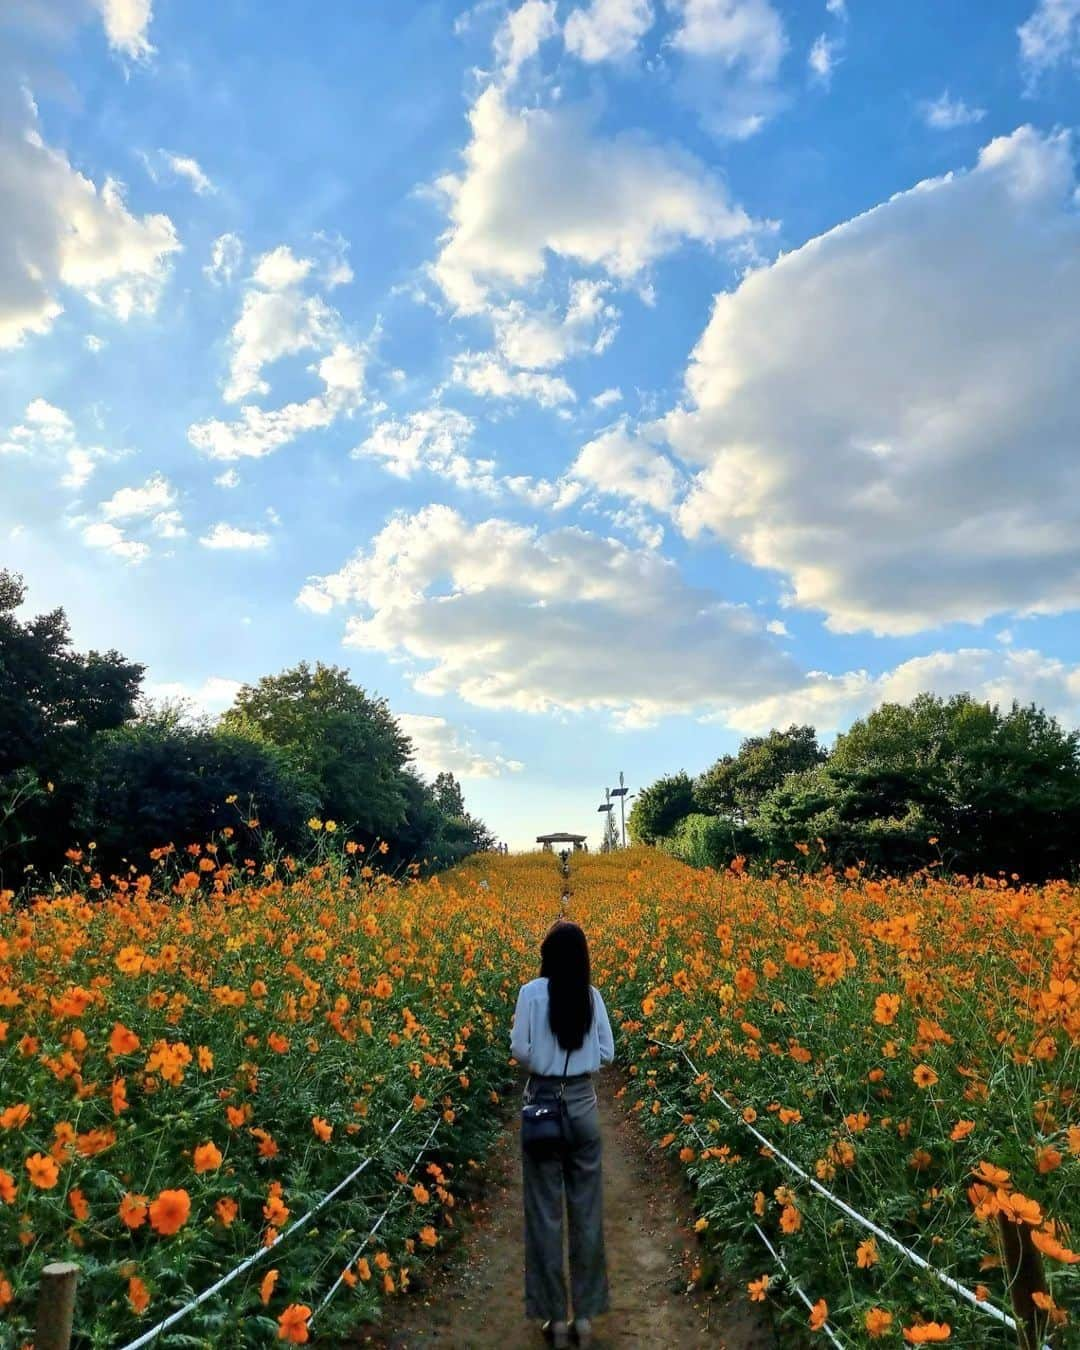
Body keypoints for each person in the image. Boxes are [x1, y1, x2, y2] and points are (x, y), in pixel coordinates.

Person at [511, 921, 615, 1349]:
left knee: (545, 1216)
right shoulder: (592, 996)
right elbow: (607, 1053)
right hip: (582, 1107)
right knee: (587, 1214)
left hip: (541, 1108)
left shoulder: (530, 993)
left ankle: (554, 1321)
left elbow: (520, 1051)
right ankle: (585, 1320)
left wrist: (543, 1057)